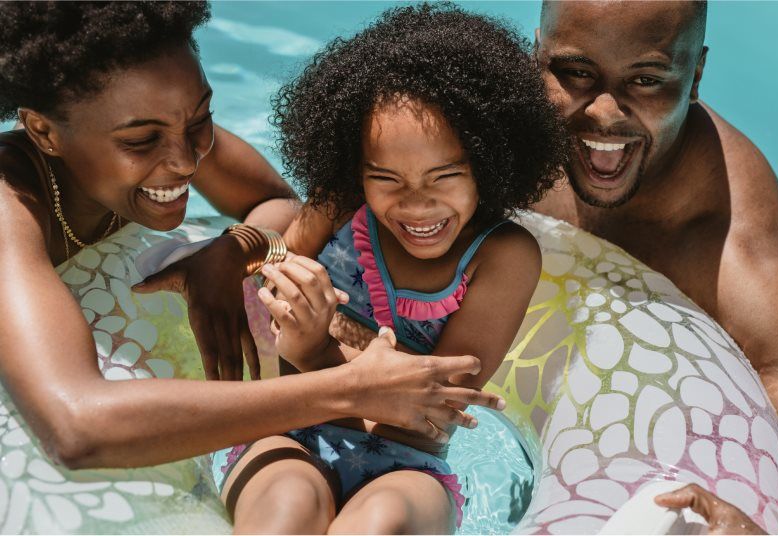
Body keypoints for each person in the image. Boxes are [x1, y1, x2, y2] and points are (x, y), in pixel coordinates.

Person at [0, 1, 504, 474]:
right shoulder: (11, 206)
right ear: (44, 133)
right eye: (140, 140)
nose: (186, 159)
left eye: (200, 119)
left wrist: (227, 252)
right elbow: (76, 428)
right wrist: (350, 388)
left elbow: (279, 205)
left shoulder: (171, 130)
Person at [532, 1, 778, 533]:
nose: (605, 112)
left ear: (697, 74)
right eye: (577, 72)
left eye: (648, 79)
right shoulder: (488, 133)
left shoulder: (736, 246)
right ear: (536, 51)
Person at [214, 5, 568, 533]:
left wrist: (315, 346)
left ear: (490, 162)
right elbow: (269, 292)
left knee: (381, 521)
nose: (416, 204)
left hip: (409, 463)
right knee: (286, 506)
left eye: (444, 176)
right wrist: (284, 305)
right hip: (288, 428)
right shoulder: (339, 203)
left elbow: (435, 404)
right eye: (386, 178)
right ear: (355, 168)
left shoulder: (504, 255)